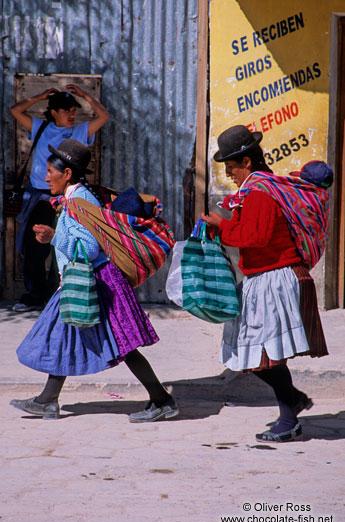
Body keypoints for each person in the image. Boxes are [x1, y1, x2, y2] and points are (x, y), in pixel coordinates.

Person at [10, 139, 179, 423]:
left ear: (67, 174)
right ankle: (48, 400)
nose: (46, 176)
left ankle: (162, 400)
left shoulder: (78, 201)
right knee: (66, 332)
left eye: (51, 170)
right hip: (90, 279)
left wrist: (54, 237)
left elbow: (87, 248)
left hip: (98, 282)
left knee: (122, 343)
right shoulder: (77, 196)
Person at [201, 124, 330, 442]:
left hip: (276, 278)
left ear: (247, 162)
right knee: (255, 356)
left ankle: (289, 419)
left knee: (265, 356)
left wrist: (221, 226)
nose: (229, 174)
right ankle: (293, 403)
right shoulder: (257, 190)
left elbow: (255, 237)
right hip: (266, 278)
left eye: (231, 167)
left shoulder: (259, 192)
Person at [11, 84, 109, 312]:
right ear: (53, 112)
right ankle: (35, 295)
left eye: (74, 109)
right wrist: (40, 95)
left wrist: (85, 95)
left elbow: (103, 116)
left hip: (66, 199)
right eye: (66, 110)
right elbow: (15, 111)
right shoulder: (41, 126)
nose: (72, 114)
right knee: (34, 247)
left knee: (63, 246)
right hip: (40, 199)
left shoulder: (80, 131)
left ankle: (56, 294)